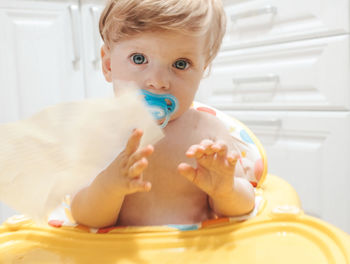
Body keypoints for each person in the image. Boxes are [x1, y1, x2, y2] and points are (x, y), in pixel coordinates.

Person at [70, 0, 257, 228]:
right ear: (108, 65)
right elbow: (84, 216)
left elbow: (243, 207)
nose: (158, 82)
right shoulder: (99, 133)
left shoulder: (208, 133)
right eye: (139, 59)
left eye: (180, 63)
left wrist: (226, 191)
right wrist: (109, 186)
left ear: (203, 69)